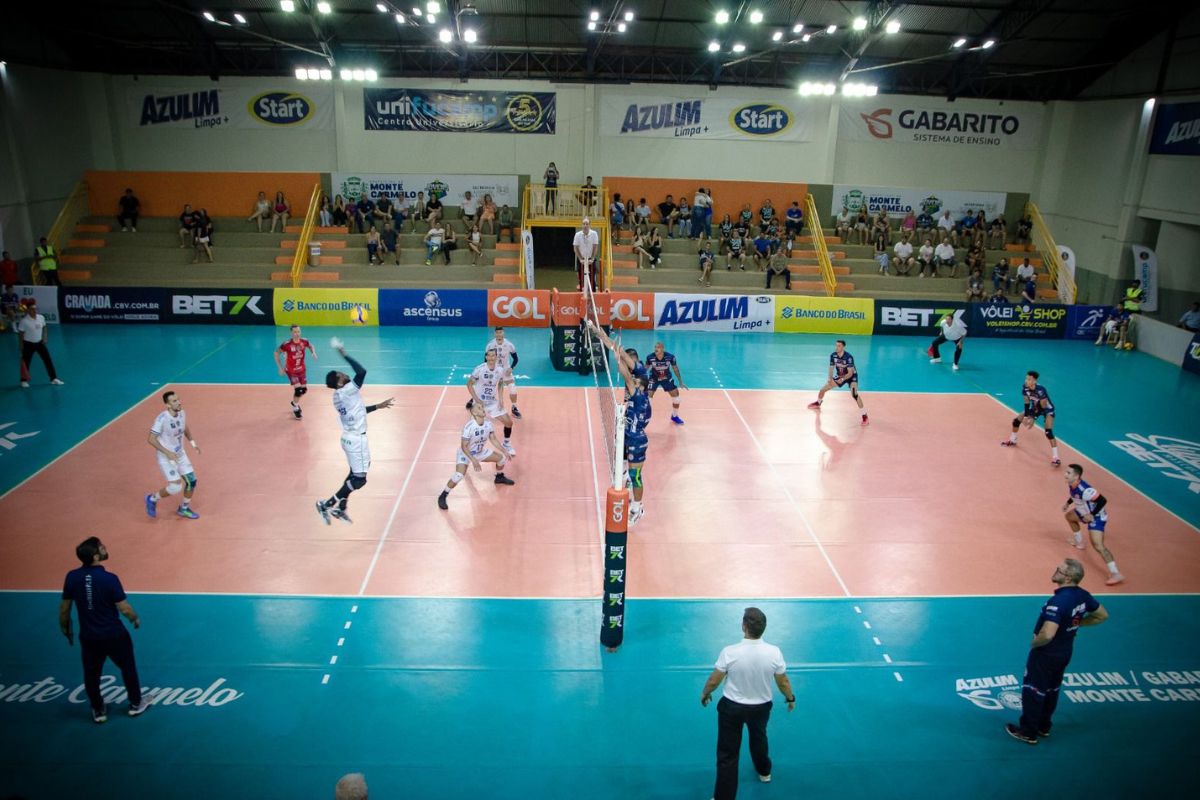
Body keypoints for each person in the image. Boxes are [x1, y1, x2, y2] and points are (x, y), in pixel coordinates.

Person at [1005, 559, 1108, 745]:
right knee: (1052, 689)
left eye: (1058, 570)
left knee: (1034, 690)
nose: (1055, 572)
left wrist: (1035, 643)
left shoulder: (1058, 601)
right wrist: (1075, 625)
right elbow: (1102, 615)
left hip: (1046, 654)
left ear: (1067, 577)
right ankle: (1044, 726)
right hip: (1065, 651)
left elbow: (1048, 633)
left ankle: (1028, 731)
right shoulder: (1083, 595)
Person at [700, 607, 795, 800]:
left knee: (728, 754)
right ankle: (764, 772)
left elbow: (714, 680)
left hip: (731, 708)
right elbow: (783, 681)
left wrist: (706, 693)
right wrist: (790, 698)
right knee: (759, 737)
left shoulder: (730, 652)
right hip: (761, 708)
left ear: (744, 626)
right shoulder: (774, 652)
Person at [59, 537, 150, 724]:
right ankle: (135, 704)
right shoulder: (109, 579)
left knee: (91, 674)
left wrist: (66, 629)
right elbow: (124, 608)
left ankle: (98, 709)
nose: (105, 548)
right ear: (95, 556)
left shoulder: (71, 577)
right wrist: (135, 618)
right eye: (101, 548)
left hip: (89, 637)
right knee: (128, 668)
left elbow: (65, 609)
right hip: (114, 635)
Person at [317, 340, 395, 524]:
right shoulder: (347, 391)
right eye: (340, 375)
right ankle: (326, 504)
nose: (344, 374)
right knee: (360, 480)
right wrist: (344, 354)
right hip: (356, 440)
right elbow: (362, 372)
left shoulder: (338, 397)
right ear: (338, 383)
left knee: (354, 473)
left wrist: (378, 406)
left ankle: (341, 508)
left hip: (348, 438)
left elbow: (358, 411)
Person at [592, 322, 651, 525]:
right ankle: (624, 470)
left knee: (636, 476)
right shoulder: (637, 386)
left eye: (630, 360)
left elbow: (625, 372)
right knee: (623, 457)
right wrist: (600, 335)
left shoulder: (639, 381)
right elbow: (618, 353)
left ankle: (637, 507)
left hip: (637, 438)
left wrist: (618, 358)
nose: (628, 362)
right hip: (629, 430)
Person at [438, 402, 516, 510]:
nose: (482, 409)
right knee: (459, 475)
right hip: (466, 454)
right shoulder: (469, 427)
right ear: (474, 412)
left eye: (482, 407)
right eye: (479, 408)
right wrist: (473, 460)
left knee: (502, 459)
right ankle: (443, 495)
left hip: (479, 452)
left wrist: (504, 451)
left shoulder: (488, 424)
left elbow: (493, 439)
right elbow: (464, 446)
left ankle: (499, 477)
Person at [1062, 464, 1124, 584]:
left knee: (1098, 546)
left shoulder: (1085, 489)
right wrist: (1067, 503)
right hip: (1083, 512)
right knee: (1069, 516)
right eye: (1066, 472)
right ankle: (1080, 542)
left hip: (1096, 517)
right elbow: (1074, 496)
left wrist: (1091, 514)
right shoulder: (1072, 484)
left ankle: (1116, 573)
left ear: (1076, 476)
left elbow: (1102, 500)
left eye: (1068, 473)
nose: (1065, 474)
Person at [145, 390, 201, 519]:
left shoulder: (182, 413)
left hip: (180, 454)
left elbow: (184, 426)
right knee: (175, 487)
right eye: (174, 401)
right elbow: (151, 439)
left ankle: (183, 509)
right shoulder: (162, 419)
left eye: (178, 399)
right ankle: (152, 499)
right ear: (168, 405)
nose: (178, 402)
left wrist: (192, 442)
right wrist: (168, 453)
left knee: (191, 482)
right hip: (166, 457)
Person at [1001, 370, 1059, 465]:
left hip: (1047, 409)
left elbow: (1043, 406)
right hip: (1035, 406)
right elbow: (1026, 403)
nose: (1026, 381)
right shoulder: (1025, 388)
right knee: (1016, 421)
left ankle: (1056, 457)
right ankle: (1013, 439)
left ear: (1034, 381)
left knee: (1048, 431)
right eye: (1026, 378)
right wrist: (1026, 416)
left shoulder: (1041, 390)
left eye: (1029, 379)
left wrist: (1033, 418)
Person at [467, 348, 517, 457]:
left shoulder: (500, 369)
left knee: (509, 423)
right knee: (473, 429)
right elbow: (469, 384)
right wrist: (476, 400)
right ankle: (468, 451)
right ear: (486, 357)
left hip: (492, 402)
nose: (491, 358)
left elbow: (500, 383)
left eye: (493, 355)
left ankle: (507, 444)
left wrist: (501, 399)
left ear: (496, 357)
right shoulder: (479, 369)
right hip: (480, 404)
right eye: (489, 355)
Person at [807, 340, 868, 426]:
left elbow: (850, 373)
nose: (837, 347)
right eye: (836, 345)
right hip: (840, 375)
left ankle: (865, 416)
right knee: (823, 389)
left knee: (854, 394)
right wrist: (830, 378)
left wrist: (842, 379)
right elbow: (831, 367)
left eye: (839, 346)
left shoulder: (849, 357)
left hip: (851, 377)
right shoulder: (833, 355)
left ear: (843, 347)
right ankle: (818, 402)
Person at [474, 325, 522, 419]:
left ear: (503, 333)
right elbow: (486, 360)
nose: (499, 334)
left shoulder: (509, 345)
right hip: (494, 372)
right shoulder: (490, 345)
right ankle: (475, 402)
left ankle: (514, 408)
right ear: (495, 334)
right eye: (497, 332)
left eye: (501, 332)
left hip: (505, 371)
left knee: (513, 389)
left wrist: (511, 368)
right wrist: (489, 370)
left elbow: (516, 359)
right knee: (486, 388)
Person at [17, 299, 63, 388]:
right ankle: (23, 380)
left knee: (48, 360)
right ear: (28, 310)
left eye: (35, 309)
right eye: (32, 309)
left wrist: (45, 337)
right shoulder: (24, 321)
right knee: (26, 362)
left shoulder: (41, 318)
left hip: (39, 343)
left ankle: (53, 379)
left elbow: (45, 327)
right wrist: (21, 346)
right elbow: (20, 334)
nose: (34, 311)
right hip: (28, 344)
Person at [275, 324, 317, 419]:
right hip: (291, 370)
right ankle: (296, 408)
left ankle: (294, 402)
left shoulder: (304, 341)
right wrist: (280, 368)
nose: (297, 334)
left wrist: (313, 352)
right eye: (294, 332)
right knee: (298, 390)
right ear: (291, 333)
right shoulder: (286, 344)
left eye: (298, 331)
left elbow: (311, 346)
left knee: (304, 390)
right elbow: (276, 353)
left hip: (302, 369)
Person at [645, 342, 686, 425]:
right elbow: (645, 369)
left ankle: (674, 416)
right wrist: (640, 380)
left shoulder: (670, 357)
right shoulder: (650, 357)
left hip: (666, 378)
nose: (656, 349)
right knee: (648, 398)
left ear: (663, 349)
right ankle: (643, 417)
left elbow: (675, 369)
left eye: (658, 347)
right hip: (654, 378)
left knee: (677, 399)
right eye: (655, 347)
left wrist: (680, 382)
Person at [573, 217, 600, 292]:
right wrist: (580, 258)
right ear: (582, 225)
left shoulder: (594, 234)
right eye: (584, 224)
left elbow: (595, 247)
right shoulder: (577, 235)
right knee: (581, 279)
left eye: (587, 224)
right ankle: (582, 294)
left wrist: (592, 258)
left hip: (590, 259)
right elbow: (575, 248)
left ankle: (593, 294)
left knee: (592, 279)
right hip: (581, 260)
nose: (585, 225)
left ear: (589, 225)